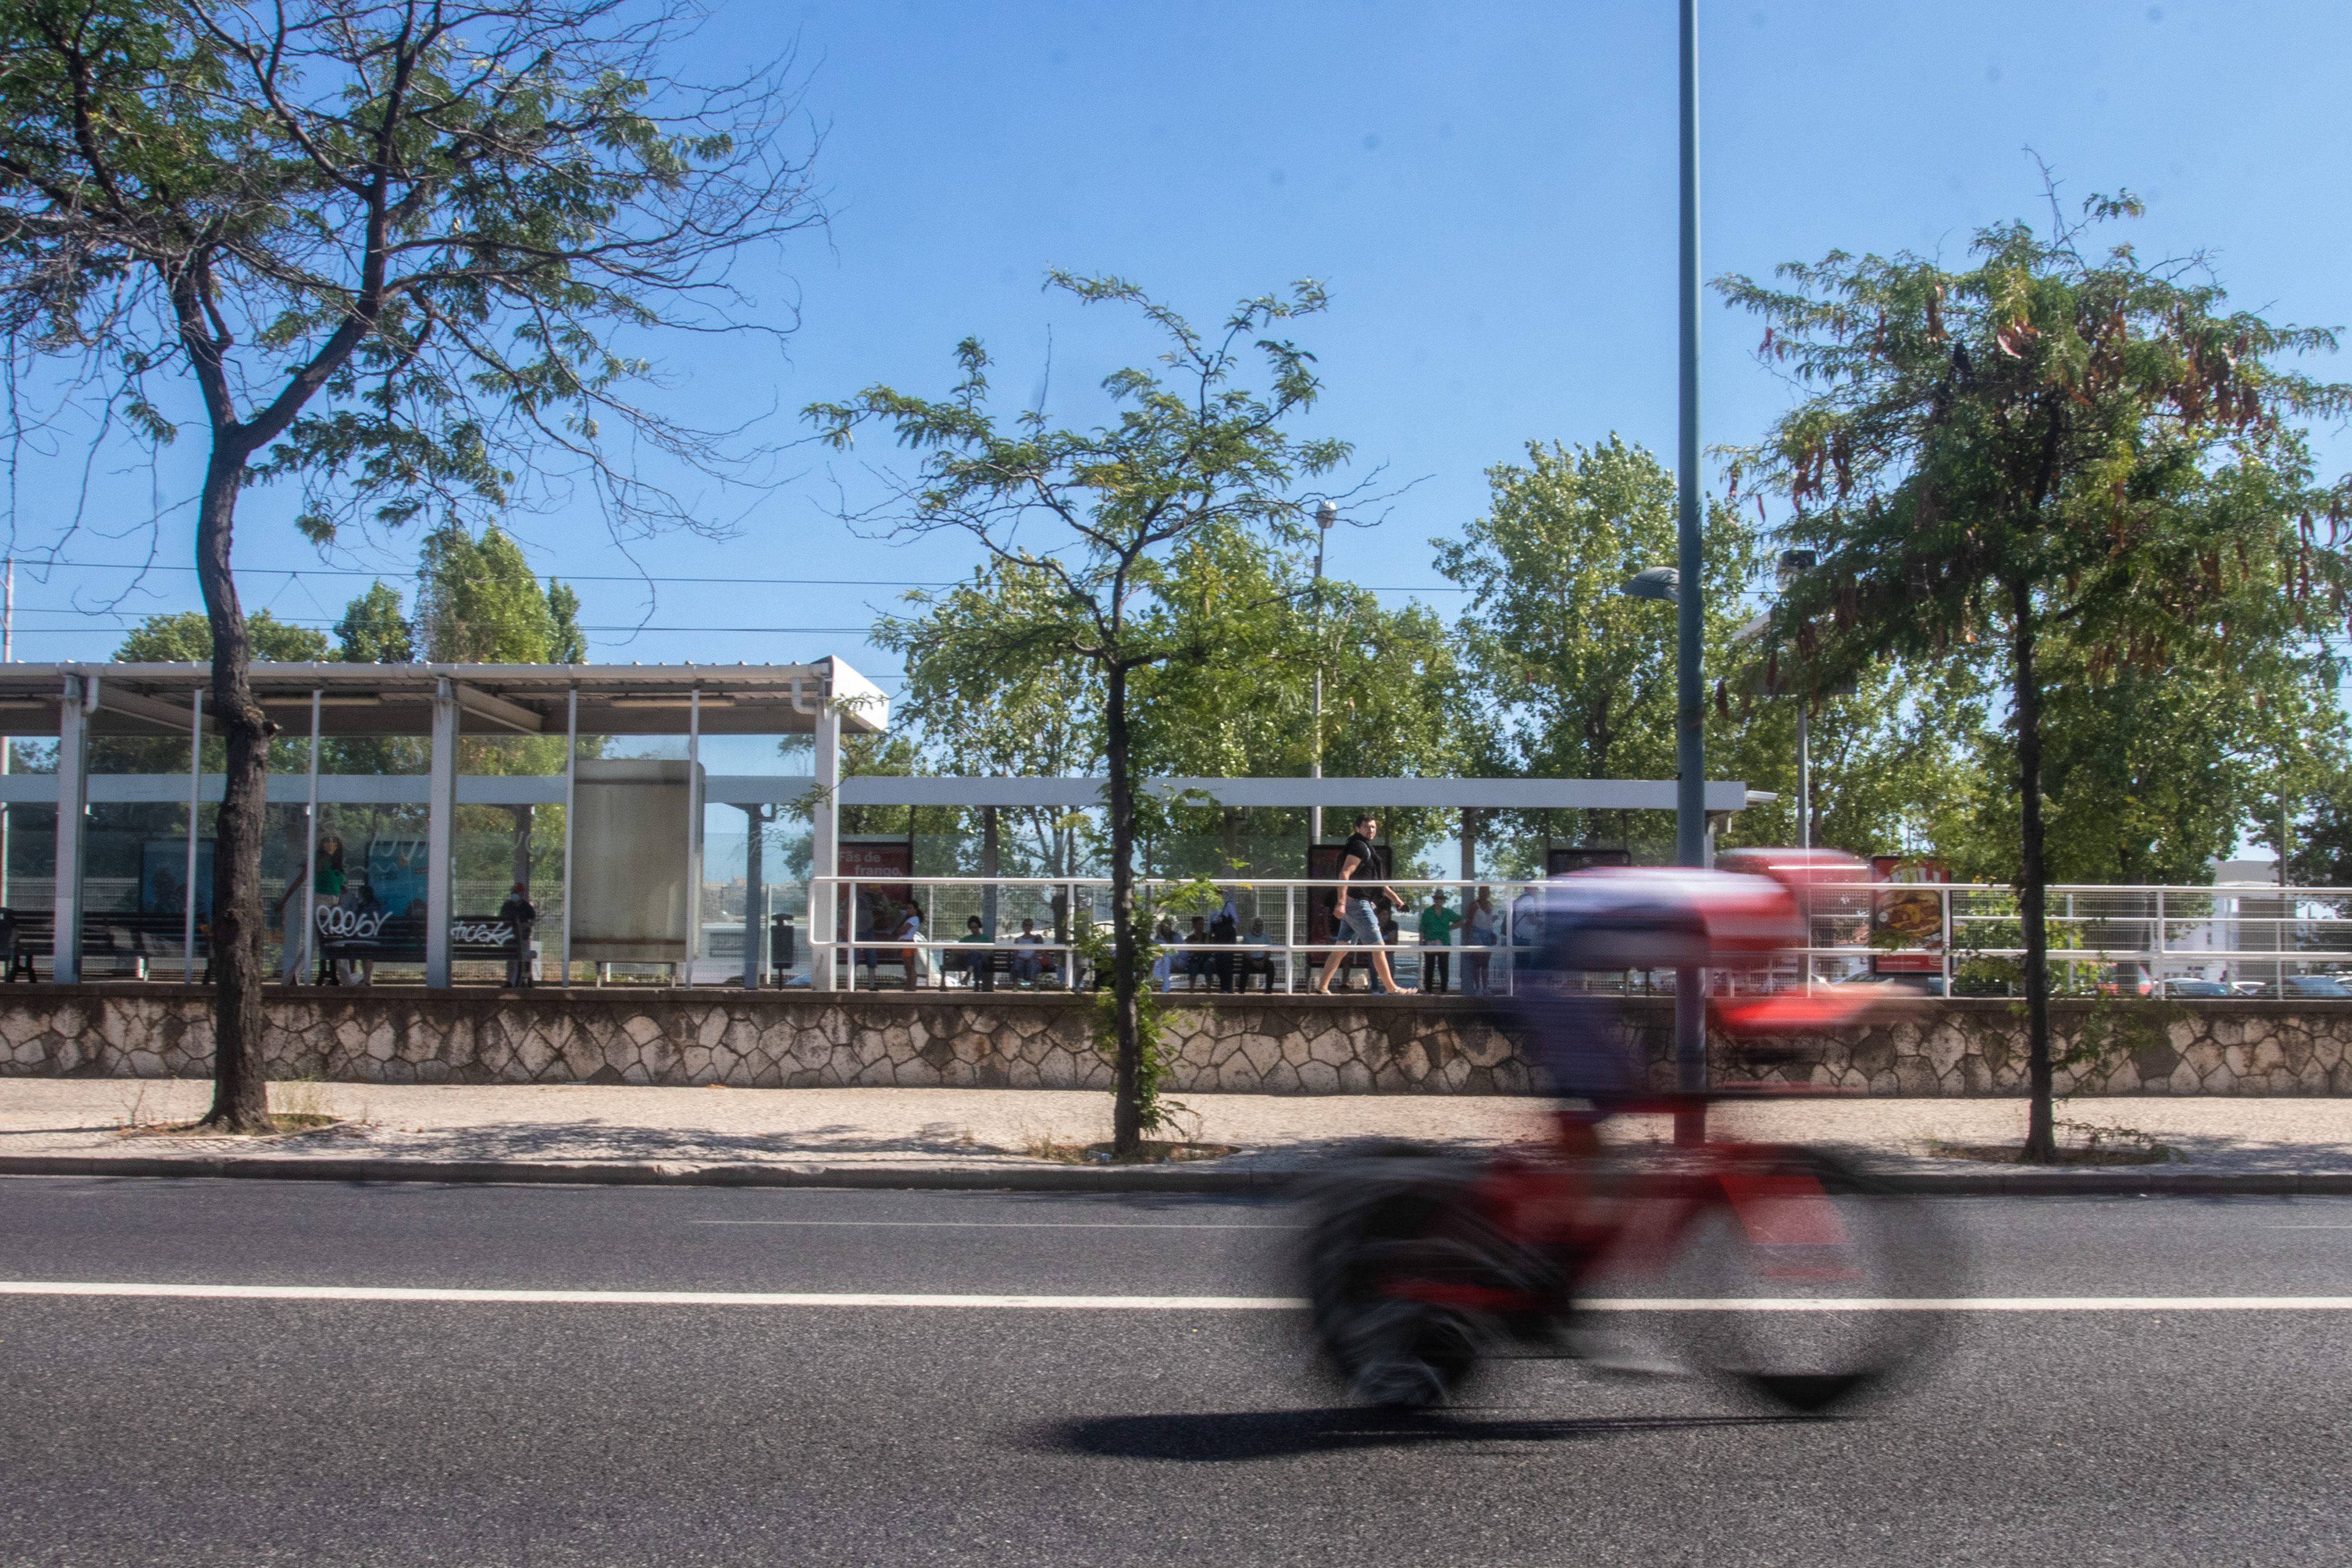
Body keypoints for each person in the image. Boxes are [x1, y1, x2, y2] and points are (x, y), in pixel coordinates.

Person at [1317, 813, 1414, 995]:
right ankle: (1392, 989)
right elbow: (1345, 874)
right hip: (1358, 906)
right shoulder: (1359, 847)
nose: (1371, 830)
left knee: (1341, 948)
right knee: (1378, 946)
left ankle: (1322, 987)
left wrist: (1398, 901)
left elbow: (1378, 884)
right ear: (1358, 829)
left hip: (1354, 905)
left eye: (1374, 827)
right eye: (1367, 827)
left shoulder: (1366, 849)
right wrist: (1340, 903)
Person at [1417, 889, 1463, 995]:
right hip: (1430, 943)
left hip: (1444, 943)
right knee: (1429, 967)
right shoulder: (1428, 912)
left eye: (1441, 899)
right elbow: (1422, 927)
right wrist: (1421, 942)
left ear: (1443, 900)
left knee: (1444, 967)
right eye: (1437, 899)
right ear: (1434, 900)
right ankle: (1428, 990)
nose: (1439, 901)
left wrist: (1449, 928)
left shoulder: (1448, 912)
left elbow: (1461, 921)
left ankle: (1444, 990)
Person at [497, 881, 537, 987]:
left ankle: (525, 980)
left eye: (516, 892)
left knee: (524, 957)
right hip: (510, 938)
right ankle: (510, 981)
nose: (513, 894)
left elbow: (532, 920)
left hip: (523, 938)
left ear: (521, 894)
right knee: (510, 960)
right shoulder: (507, 906)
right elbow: (502, 921)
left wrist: (526, 926)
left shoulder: (526, 907)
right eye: (513, 892)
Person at [1463, 888, 1498, 996]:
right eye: (1482, 892)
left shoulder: (1490, 905)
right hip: (1477, 935)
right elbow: (1469, 921)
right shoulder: (1474, 905)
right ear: (1479, 893)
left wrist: (1493, 919)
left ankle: (1485, 987)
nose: (1484, 894)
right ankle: (1478, 988)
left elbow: (1486, 920)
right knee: (1477, 961)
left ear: (1489, 893)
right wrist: (1468, 938)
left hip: (1488, 934)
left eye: (1486, 892)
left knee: (1486, 962)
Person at [957, 914, 995, 991]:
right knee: (978, 961)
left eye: (976, 927)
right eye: (972, 928)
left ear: (979, 927)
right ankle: (977, 983)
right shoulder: (966, 939)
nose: (974, 929)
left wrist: (977, 952)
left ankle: (967, 976)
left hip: (985, 962)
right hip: (969, 962)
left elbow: (990, 953)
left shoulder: (985, 939)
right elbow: (957, 950)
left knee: (976, 955)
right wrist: (968, 952)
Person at [895, 902, 927, 989]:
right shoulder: (909, 919)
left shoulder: (914, 919)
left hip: (907, 943)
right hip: (905, 943)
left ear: (915, 910)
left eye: (910, 908)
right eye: (907, 909)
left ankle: (912, 987)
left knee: (910, 967)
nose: (908, 911)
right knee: (907, 967)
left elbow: (904, 931)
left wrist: (899, 930)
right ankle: (909, 987)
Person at [1210, 902, 1240, 993]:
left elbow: (1236, 920)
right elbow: (1210, 924)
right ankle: (1224, 988)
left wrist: (1223, 920)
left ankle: (1228, 989)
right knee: (1218, 964)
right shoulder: (1212, 906)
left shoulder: (1228, 905)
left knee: (1227, 963)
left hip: (1227, 939)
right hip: (1218, 939)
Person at [1242, 917, 1277, 992]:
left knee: (1271, 965)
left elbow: (1268, 952)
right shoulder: (1247, 936)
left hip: (1262, 960)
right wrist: (1253, 962)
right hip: (1251, 961)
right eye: (1257, 925)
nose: (1259, 927)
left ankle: (1268, 991)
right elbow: (1245, 953)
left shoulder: (1266, 936)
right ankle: (1241, 990)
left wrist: (1263, 961)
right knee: (1245, 965)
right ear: (1253, 926)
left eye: (1261, 925)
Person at [1011, 918, 1050, 986]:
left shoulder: (1036, 939)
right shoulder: (1018, 940)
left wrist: (1032, 957)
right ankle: (1015, 985)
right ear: (1023, 927)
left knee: (1032, 963)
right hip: (1021, 959)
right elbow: (1015, 954)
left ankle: (1035, 985)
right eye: (1026, 925)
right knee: (1017, 963)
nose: (1028, 927)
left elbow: (1041, 952)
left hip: (1033, 959)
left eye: (1030, 926)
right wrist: (1019, 957)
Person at [1151, 915, 1180, 991]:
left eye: (1169, 925)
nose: (1167, 927)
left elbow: (1180, 952)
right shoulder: (1159, 937)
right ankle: (1165, 988)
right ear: (1161, 927)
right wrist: (1159, 933)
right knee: (1165, 959)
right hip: (1165, 960)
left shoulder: (1176, 936)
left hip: (1178, 959)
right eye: (1165, 926)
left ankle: (1157, 977)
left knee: (1165, 957)